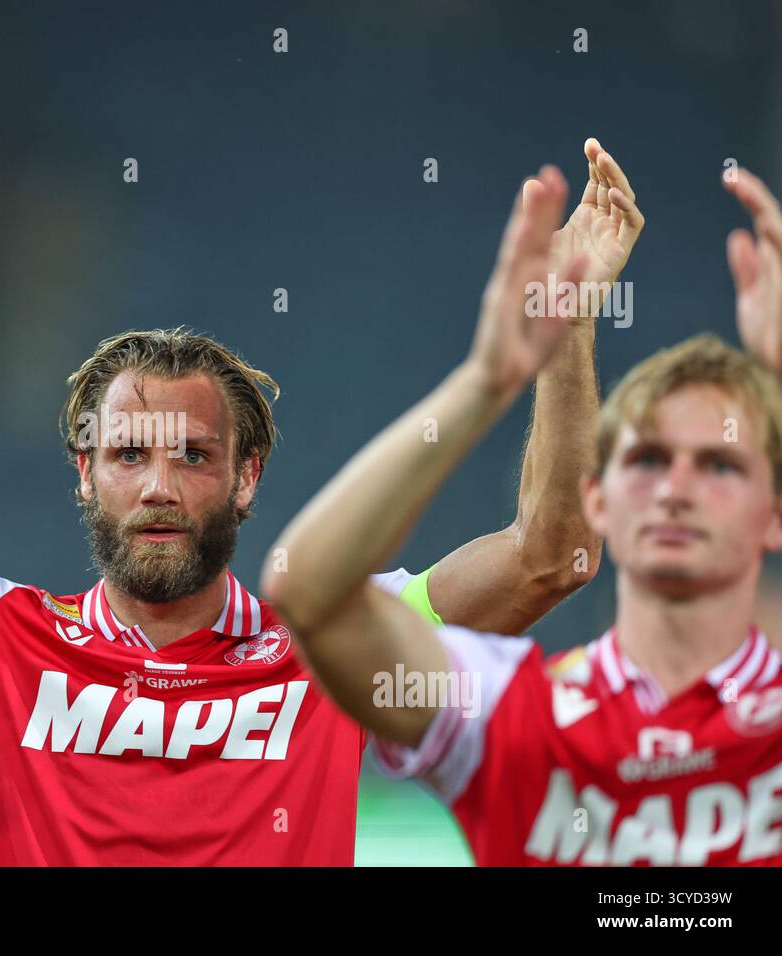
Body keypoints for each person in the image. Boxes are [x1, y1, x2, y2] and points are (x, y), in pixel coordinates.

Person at [0, 117, 641, 861]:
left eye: (194, 457)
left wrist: (568, 330)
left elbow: (550, 557)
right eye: (129, 456)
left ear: (247, 480)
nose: (159, 486)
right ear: (85, 474)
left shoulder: (331, 636)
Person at [263, 159, 782, 866]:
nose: (676, 487)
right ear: (596, 500)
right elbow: (309, 593)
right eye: (647, 460)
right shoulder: (508, 709)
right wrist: (485, 381)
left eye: (719, 464)